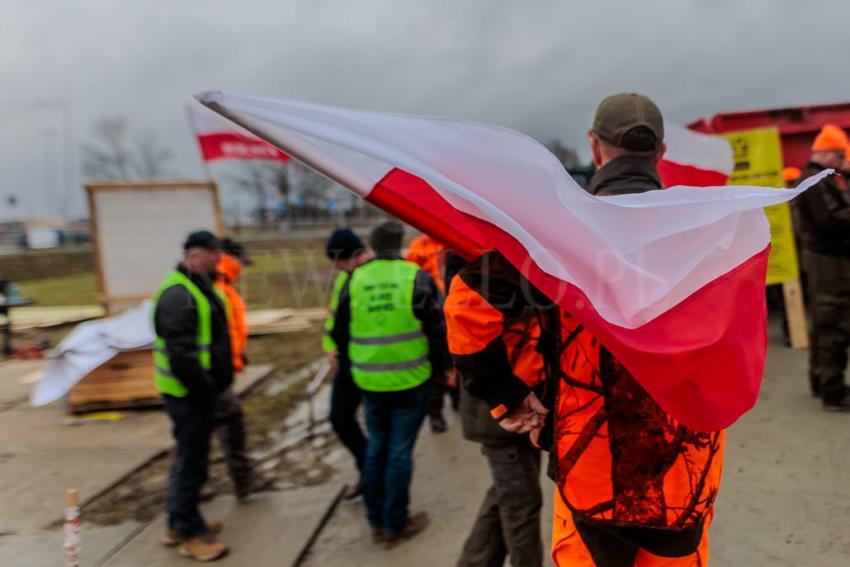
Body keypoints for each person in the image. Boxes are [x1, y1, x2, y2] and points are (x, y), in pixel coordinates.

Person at [445, 94, 725, 566]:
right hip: (684, 470)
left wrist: (509, 397)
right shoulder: (709, 230)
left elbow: (466, 310)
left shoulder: (558, 232)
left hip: (590, 464)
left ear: (595, 148)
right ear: (660, 153)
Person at [331, 221, 446, 547]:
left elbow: (340, 331)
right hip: (411, 382)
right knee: (398, 453)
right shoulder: (416, 278)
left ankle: (377, 521)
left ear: (372, 244)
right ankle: (396, 523)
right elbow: (437, 332)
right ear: (400, 244)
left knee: (376, 450)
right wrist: (438, 371)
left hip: (369, 382)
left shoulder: (354, 280)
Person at [450, 259, 546, 567]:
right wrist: (504, 397)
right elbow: (465, 317)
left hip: (517, 409)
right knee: (522, 505)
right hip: (502, 415)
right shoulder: (497, 277)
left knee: (506, 494)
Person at [153, 230, 231, 561]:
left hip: (195, 391)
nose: (218, 258)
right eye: (212, 253)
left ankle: (177, 522)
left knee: (189, 458)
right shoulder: (178, 294)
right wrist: (206, 391)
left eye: (218, 252)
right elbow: (182, 355)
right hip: (189, 393)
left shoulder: (198, 285)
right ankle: (190, 532)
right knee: (192, 463)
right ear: (192, 255)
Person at [213, 238, 275, 501]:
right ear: (231, 258)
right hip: (214, 372)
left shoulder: (223, 286)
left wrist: (238, 354)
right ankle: (244, 479)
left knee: (214, 428)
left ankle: (241, 479)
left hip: (220, 369)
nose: (242, 268)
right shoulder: (218, 287)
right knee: (229, 425)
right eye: (240, 262)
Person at [794, 124, 850, 409]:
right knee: (834, 322)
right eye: (841, 158)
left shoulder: (814, 179)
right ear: (830, 155)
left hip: (822, 260)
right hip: (829, 263)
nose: (843, 164)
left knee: (825, 320)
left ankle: (821, 380)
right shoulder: (816, 181)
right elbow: (833, 219)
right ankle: (833, 390)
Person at [323, 228, 372, 498]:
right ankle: (367, 467)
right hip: (348, 361)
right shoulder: (345, 279)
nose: (335, 267)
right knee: (340, 418)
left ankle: (373, 475)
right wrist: (331, 347)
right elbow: (334, 319)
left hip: (370, 363)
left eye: (336, 261)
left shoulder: (370, 276)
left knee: (375, 425)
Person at [406, 233, 452, 433]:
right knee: (438, 359)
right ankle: (436, 413)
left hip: (454, 300)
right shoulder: (418, 246)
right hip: (432, 304)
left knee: (457, 354)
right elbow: (410, 273)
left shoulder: (450, 240)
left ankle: (458, 396)